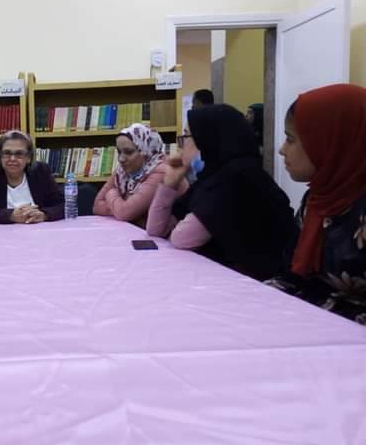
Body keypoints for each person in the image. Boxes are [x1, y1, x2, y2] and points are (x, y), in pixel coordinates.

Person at [146, 104, 296, 280]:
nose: (180, 146)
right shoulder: (209, 179)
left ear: (207, 140)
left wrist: (173, 228)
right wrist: (169, 183)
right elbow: (155, 228)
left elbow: (181, 238)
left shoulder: (236, 179)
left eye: (185, 136)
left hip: (261, 284)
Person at [267, 84, 366, 324]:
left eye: (290, 139)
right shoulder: (317, 199)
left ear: (333, 141)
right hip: (309, 325)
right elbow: (291, 277)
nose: (282, 150)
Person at [93, 124, 188, 227]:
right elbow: (97, 205)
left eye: (128, 152)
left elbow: (125, 212)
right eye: (119, 152)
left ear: (145, 151)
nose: (121, 159)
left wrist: (111, 193)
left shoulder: (162, 170)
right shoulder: (122, 171)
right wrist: (125, 210)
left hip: (170, 234)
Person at [0, 130, 63, 224]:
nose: (12, 159)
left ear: (28, 157)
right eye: (7, 153)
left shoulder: (41, 172)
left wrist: (44, 215)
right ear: (0, 156)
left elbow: (62, 205)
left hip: (40, 230)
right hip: (2, 231)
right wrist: (10, 216)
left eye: (19, 153)